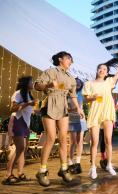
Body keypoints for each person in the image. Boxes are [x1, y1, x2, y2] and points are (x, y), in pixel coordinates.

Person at [35, 51, 84, 187]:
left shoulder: (70, 78)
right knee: (51, 138)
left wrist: (79, 109)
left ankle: (63, 169)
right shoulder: (50, 71)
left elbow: (72, 95)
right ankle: (42, 171)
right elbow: (37, 85)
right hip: (49, 104)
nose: (70, 61)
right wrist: (49, 85)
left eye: (71, 59)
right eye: (68, 58)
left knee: (64, 139)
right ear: (60, 59)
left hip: (63, 108)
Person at [82, 50, 118, 179]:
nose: (102, 70)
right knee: (94, 142)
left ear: (106, 72)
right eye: (100, 68)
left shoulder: (109, 82)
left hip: (107, 112)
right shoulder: (89, 83)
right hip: (95, 113)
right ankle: (93, 167)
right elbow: (85, 99)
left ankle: (109, 165)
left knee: (108, 140)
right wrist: (92, 97)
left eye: (104, 69)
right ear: (97, 71)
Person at [2, 76, 36, 185]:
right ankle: (7, 175)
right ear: (26, 83)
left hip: (25, 124)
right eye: (31, 81)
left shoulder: (29, 95)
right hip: (17, 121)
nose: (33, 83)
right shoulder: (18, 93)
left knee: (23, 149)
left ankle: (20, 173)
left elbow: (29, 111)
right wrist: (27, 104)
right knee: (20, 148)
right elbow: (13, 108)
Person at [68, 78, 87, 174]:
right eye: (76, 83)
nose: (78, 84)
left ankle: (78, 163)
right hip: (71, 119)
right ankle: (70, 162)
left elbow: (88, 99)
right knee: (73, 142)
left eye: (79, 83)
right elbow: (66, 109)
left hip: (81, 119)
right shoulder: (68, 94)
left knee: (80, 141)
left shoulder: (82, 94)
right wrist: (74, 109)